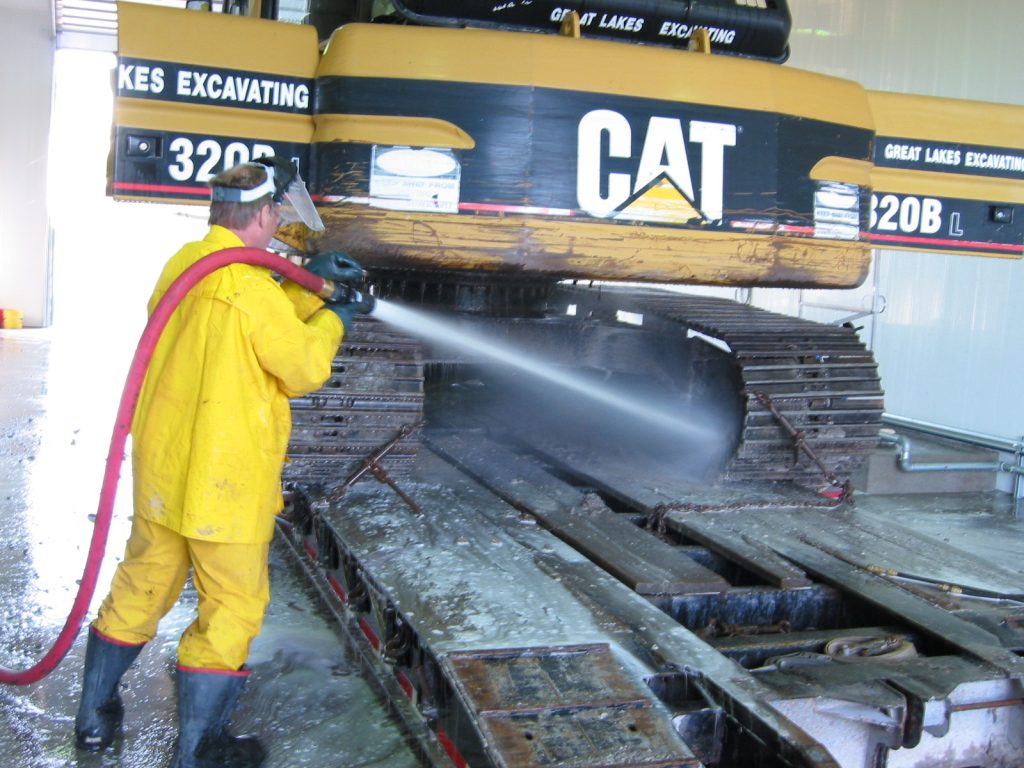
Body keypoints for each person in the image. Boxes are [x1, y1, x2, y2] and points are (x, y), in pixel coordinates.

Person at [73, 157, 366, 767]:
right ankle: (198, 747)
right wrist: (334, 314)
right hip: (224, 484)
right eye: (276, 218)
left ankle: (94, 719)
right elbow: (302, 366)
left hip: (165, 475)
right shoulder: (253, 294)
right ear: (261, 215)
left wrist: (297, 284)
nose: (279, 227)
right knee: (231, 606)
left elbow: (236, 318)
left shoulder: (184, 263)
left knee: (142, 585)